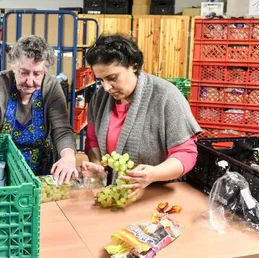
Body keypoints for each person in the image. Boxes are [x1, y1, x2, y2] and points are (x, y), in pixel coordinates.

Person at [81, 34, 202, 198]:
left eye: (112, 78)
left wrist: (154, 173)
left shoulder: (166, 97)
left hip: (158, 196)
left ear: (133, 65)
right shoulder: (100, 98)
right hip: (117, 195)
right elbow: (92, 140)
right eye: (101, 80)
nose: (107, 87)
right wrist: (97, 165)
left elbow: (186, 153)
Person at [0, 35, 77, 184]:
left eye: (37, 74)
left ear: (45, 72)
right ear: (13, 67)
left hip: (42, 173)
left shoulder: (52, 87)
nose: (30, 81)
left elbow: (62, 130)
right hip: (1, 171)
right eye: (24, 72)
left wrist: (68, 157)